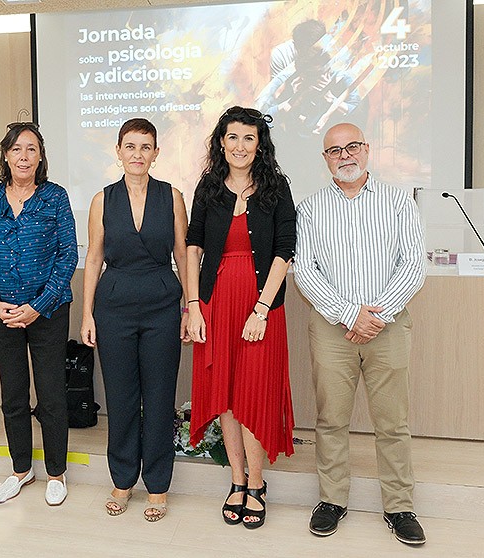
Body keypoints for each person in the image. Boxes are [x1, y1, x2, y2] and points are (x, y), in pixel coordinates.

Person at [294, 123, 427, 545]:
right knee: (331, 418)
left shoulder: (398, 201)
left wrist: (375, 315)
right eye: (335, 150)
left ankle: (400, 506)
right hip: (333, 328)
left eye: (352, 146)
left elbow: (413, 264)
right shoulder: (311, 208)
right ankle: (332, 500)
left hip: (387, 326)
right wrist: (350, 314)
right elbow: (305, 270)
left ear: (367, 150)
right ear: (326, 159)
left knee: (393, 421)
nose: (345, 155)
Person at [185, 106, 296, 529]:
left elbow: (286, 249)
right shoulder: (208, 188)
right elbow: (193, 246)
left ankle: (257, 484)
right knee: (226, 396)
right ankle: (236, 479)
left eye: (248, 138)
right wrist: (194, 306)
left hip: (261, 307)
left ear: (259, 144)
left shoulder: (275, 187)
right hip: (215, 304)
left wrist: (262, 309)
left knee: (253, 394)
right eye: (233, 137)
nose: (240, 146)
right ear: (221, 142)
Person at [80, 118, 189, 522]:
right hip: (114, 308)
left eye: (146, 147)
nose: (138, 154)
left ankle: (158, 486)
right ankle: (123, 480)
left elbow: (183, 254)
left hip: (162, 305)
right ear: (118, 151)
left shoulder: (173, 197)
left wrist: (190, 307)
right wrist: (87, 314)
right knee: (122, 399)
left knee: (159, 399)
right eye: (131, 146)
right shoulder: (101, 200)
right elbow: (93, 258)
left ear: (157, 153)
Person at [0, 122, 78, 507]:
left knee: (50, 395)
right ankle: (20, 469)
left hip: (46, 312)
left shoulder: (55, 198)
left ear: (40, 157)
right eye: (17, 149)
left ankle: (55, 473)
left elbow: (68, 256)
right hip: (1, 311)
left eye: (31, 149)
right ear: (5, 155)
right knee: (13, 395)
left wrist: (38, 306)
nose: (24, 156)